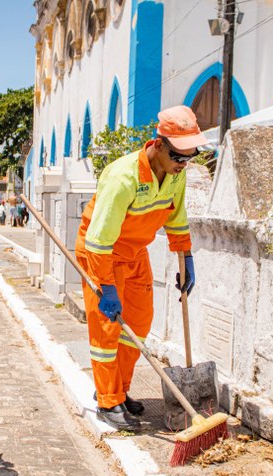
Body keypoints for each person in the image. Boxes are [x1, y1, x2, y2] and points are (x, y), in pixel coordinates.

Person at [75, 105, 205, 431]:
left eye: (190, 158)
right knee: (106, 331)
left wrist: (185, 256)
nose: (183, 165)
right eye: (178, 157)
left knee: (138, 324)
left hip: (135, 253)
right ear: (158, 145)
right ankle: (107, 403)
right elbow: (99, 240)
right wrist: (105, 286)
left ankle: (118, 390)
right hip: (102, 254)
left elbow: (176, 215)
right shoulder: (123, 177)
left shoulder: (176, 174)